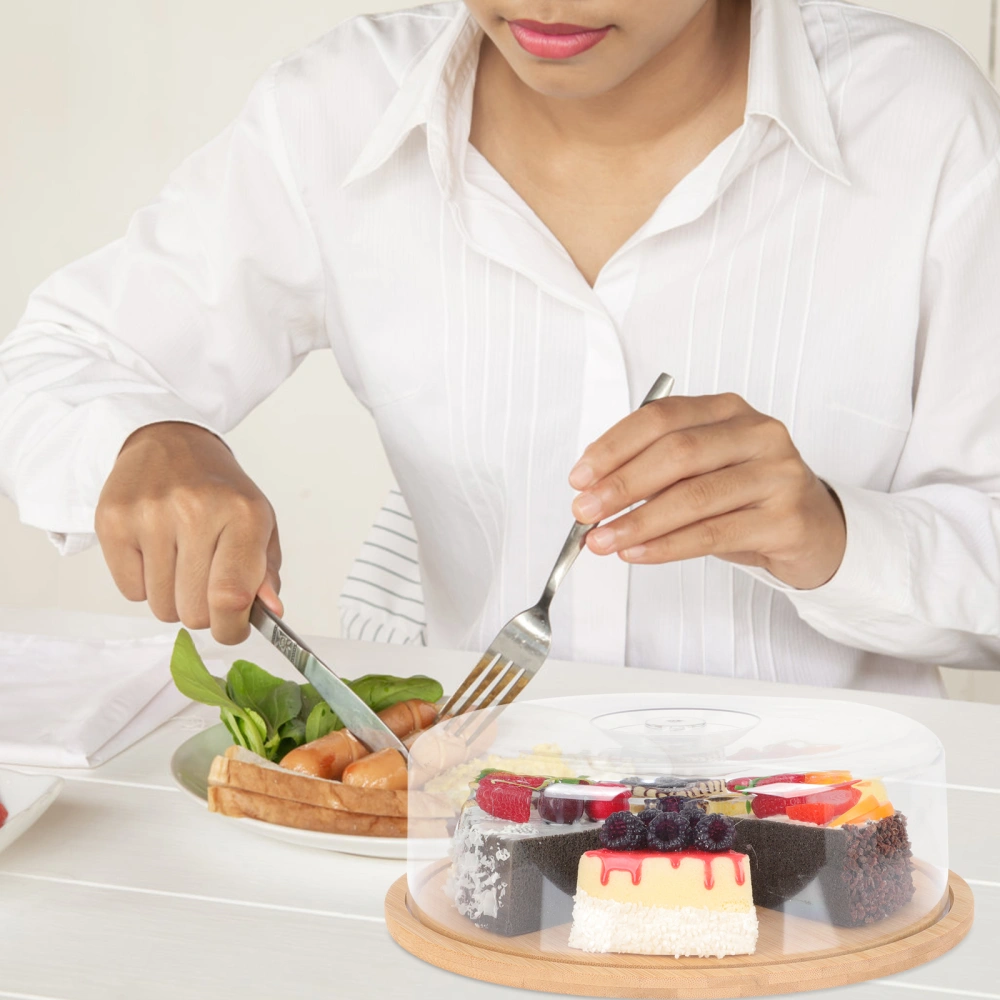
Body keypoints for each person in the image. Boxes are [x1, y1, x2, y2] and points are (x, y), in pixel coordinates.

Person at [1, 0, 998, 696]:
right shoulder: (336, 112)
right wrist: (149, 440)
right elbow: (59, 356)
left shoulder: (918, 123)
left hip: (830, 847)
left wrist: (832, 536)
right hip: (466, 824)